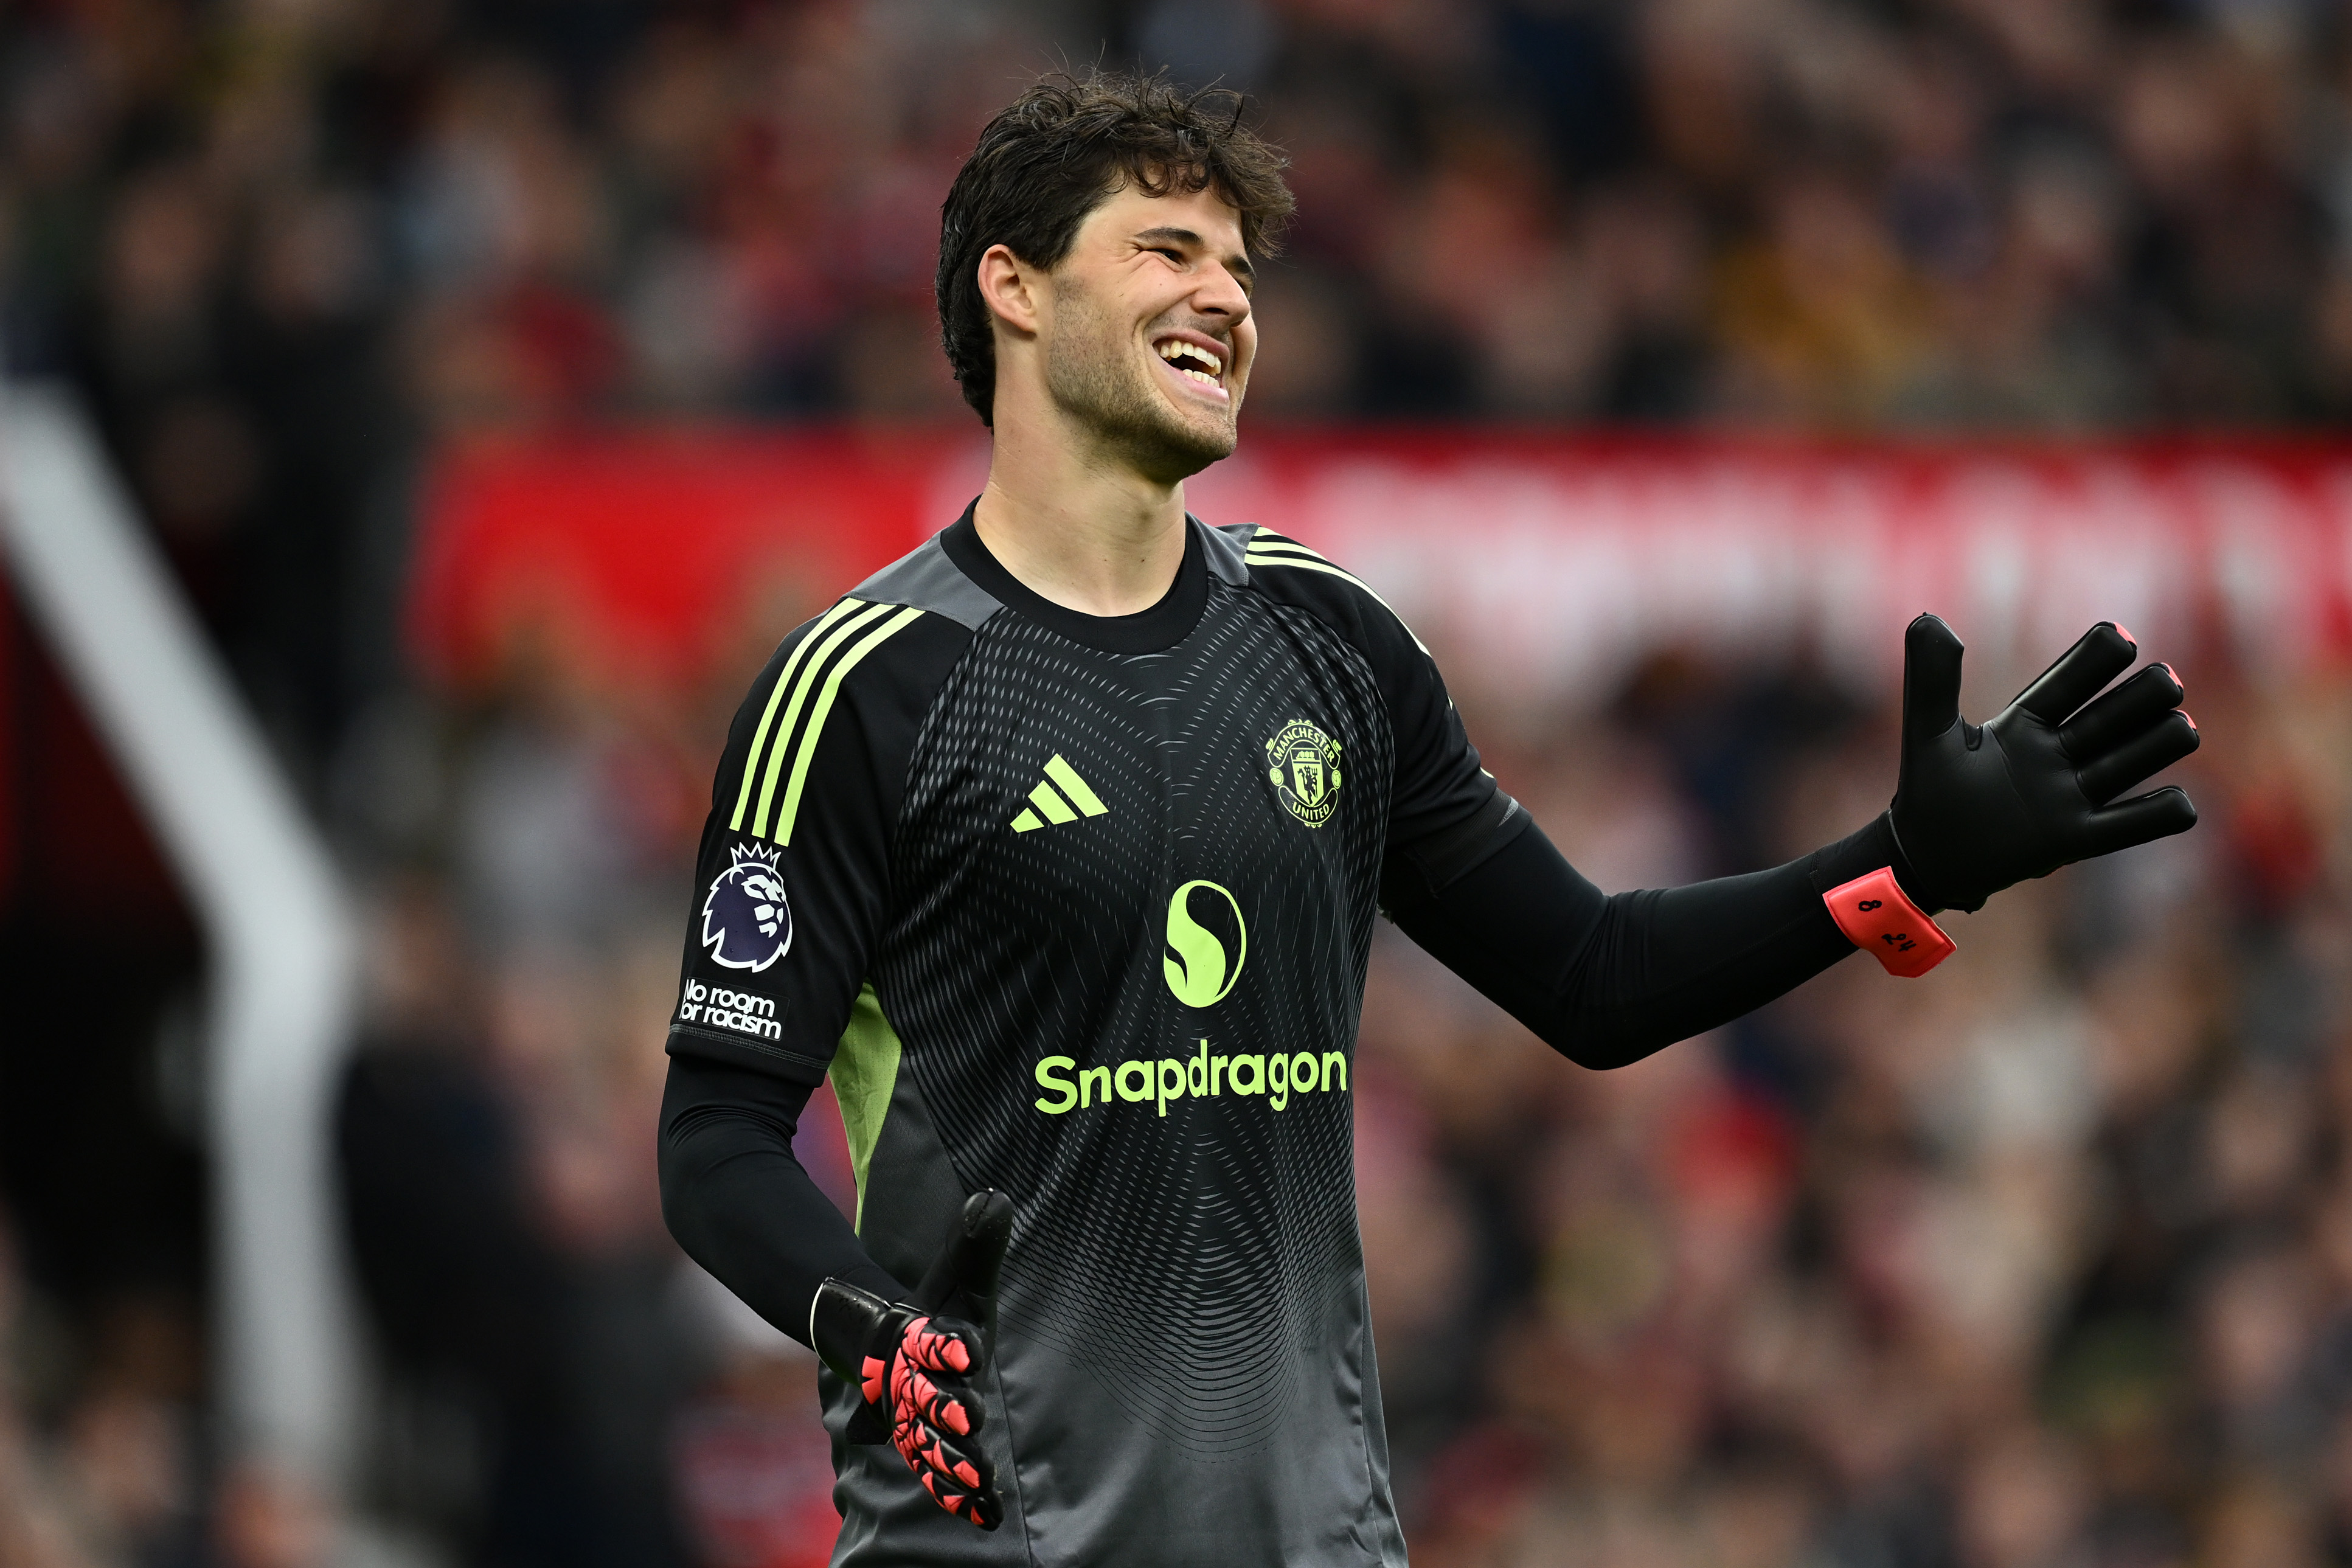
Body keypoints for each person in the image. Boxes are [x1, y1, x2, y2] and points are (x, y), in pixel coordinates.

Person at [656, 71, 2201, 1568]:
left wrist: (1897, 870)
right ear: (1013, 288)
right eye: (1166, 249)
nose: (1226, 297)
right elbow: (715, 1134)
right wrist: (869, 1325)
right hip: (999, 1542)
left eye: (1240, 267)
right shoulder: (863, 689)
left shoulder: (1328, 639)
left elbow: (1590, 977)